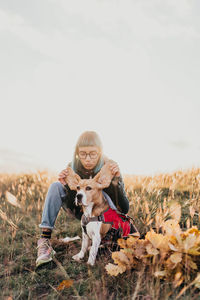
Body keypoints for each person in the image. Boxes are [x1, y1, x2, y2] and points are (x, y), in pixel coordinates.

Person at [36, 131, 129, 267]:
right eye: (83, 154)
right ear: (77, 153)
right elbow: (70, 198)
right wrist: (65, 184)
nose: (87, 159)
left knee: (105, 194)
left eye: (93, 153)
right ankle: (44, 241)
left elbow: (124, 208)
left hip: (103, 213)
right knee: (55, 186)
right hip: (79, 209)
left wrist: (117, 180)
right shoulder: (72, 167)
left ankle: (108, 237)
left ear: (100, 152)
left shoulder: (109, 167)